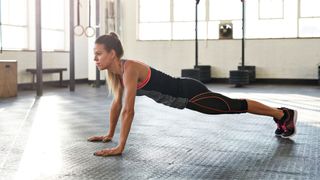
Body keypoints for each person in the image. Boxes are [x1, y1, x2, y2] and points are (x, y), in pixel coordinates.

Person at [87, 32, 297, 157]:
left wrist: (120, 146)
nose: (95, 59)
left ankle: (282, 115)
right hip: (186, 98)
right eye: (94, 55)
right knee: (233, 106)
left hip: (191, 95)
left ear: (112, 53)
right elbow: (117, 105)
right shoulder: (117, 74)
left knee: (235, 106)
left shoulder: (130, 68)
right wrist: (109, 135)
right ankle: (281, 115)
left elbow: (128, 110)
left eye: (98, 54)